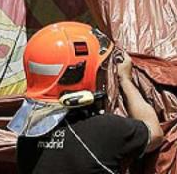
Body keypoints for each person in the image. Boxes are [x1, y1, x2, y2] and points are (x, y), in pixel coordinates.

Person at [9, 22, 163, 174]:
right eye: (101, 69)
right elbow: (155, 134)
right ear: (77, 73)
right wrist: (125, 80)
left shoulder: (27, 137)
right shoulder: (106, 129)